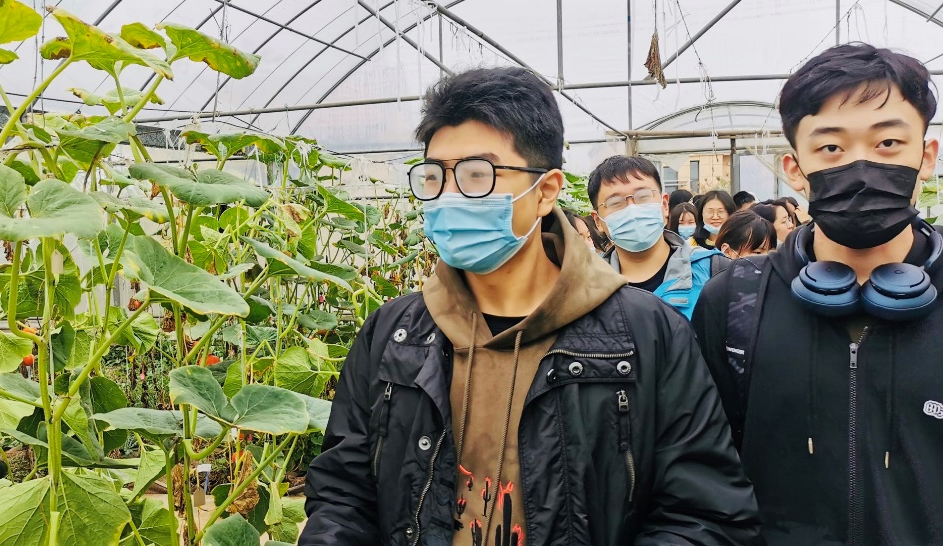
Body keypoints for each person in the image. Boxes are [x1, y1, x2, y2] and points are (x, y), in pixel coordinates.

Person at [300, 67, 761, 546]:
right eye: (434, 177)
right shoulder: (393, 333)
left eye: (477, 175)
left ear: (545, 191)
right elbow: (343, 495)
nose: (448, 196)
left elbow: (706, 514)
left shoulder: (647, 334)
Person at [692, 43, 942, 545]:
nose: (861, 166)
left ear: (927, 156)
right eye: (831, 148)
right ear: (794, 168)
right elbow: (701, 475)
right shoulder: (735, 300)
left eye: (888, 142)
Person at [588, 156, 730, 319]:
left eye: (643, 196)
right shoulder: (586, 287)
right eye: (615, 202)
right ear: (597, 221)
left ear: (664, 205)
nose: (633, 210)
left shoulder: (715, 271)